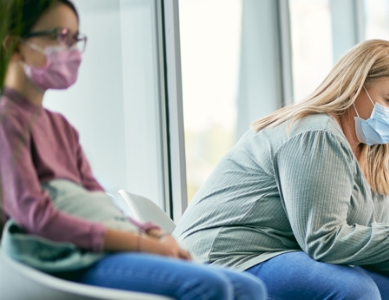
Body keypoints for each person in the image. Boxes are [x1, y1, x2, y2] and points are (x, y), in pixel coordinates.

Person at [173, 39, 389, 300]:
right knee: (355, 290)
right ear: (356, 88)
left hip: (278, 253)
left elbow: (368, 248)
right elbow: (323, 242)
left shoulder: (372, 154)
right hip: (228, 256)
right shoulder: (316, 135)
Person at [0, 1, 267, 299]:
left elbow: (98, 201)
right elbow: (38, 218)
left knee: (249, 286)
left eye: (75, 39)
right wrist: (145, 245)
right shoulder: (7, 121)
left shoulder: (61, 127)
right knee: (210, 286)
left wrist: (155, 233)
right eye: (59, 36)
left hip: (100, 247)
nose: (71, 51)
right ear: (16, 45)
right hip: (63, 258)